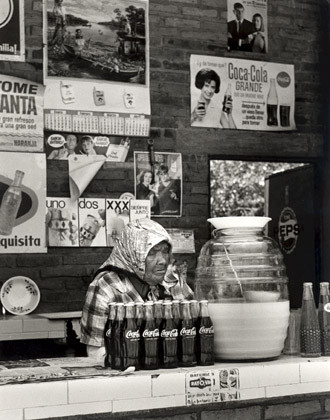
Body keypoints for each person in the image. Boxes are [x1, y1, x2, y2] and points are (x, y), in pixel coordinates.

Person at [80, 218, 194, 361]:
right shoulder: (105, 287)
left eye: (165, 251)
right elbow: (95, 351)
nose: (163, 261)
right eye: (152, 253)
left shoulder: (173, 281)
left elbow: (195, 328)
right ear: (132, 253)